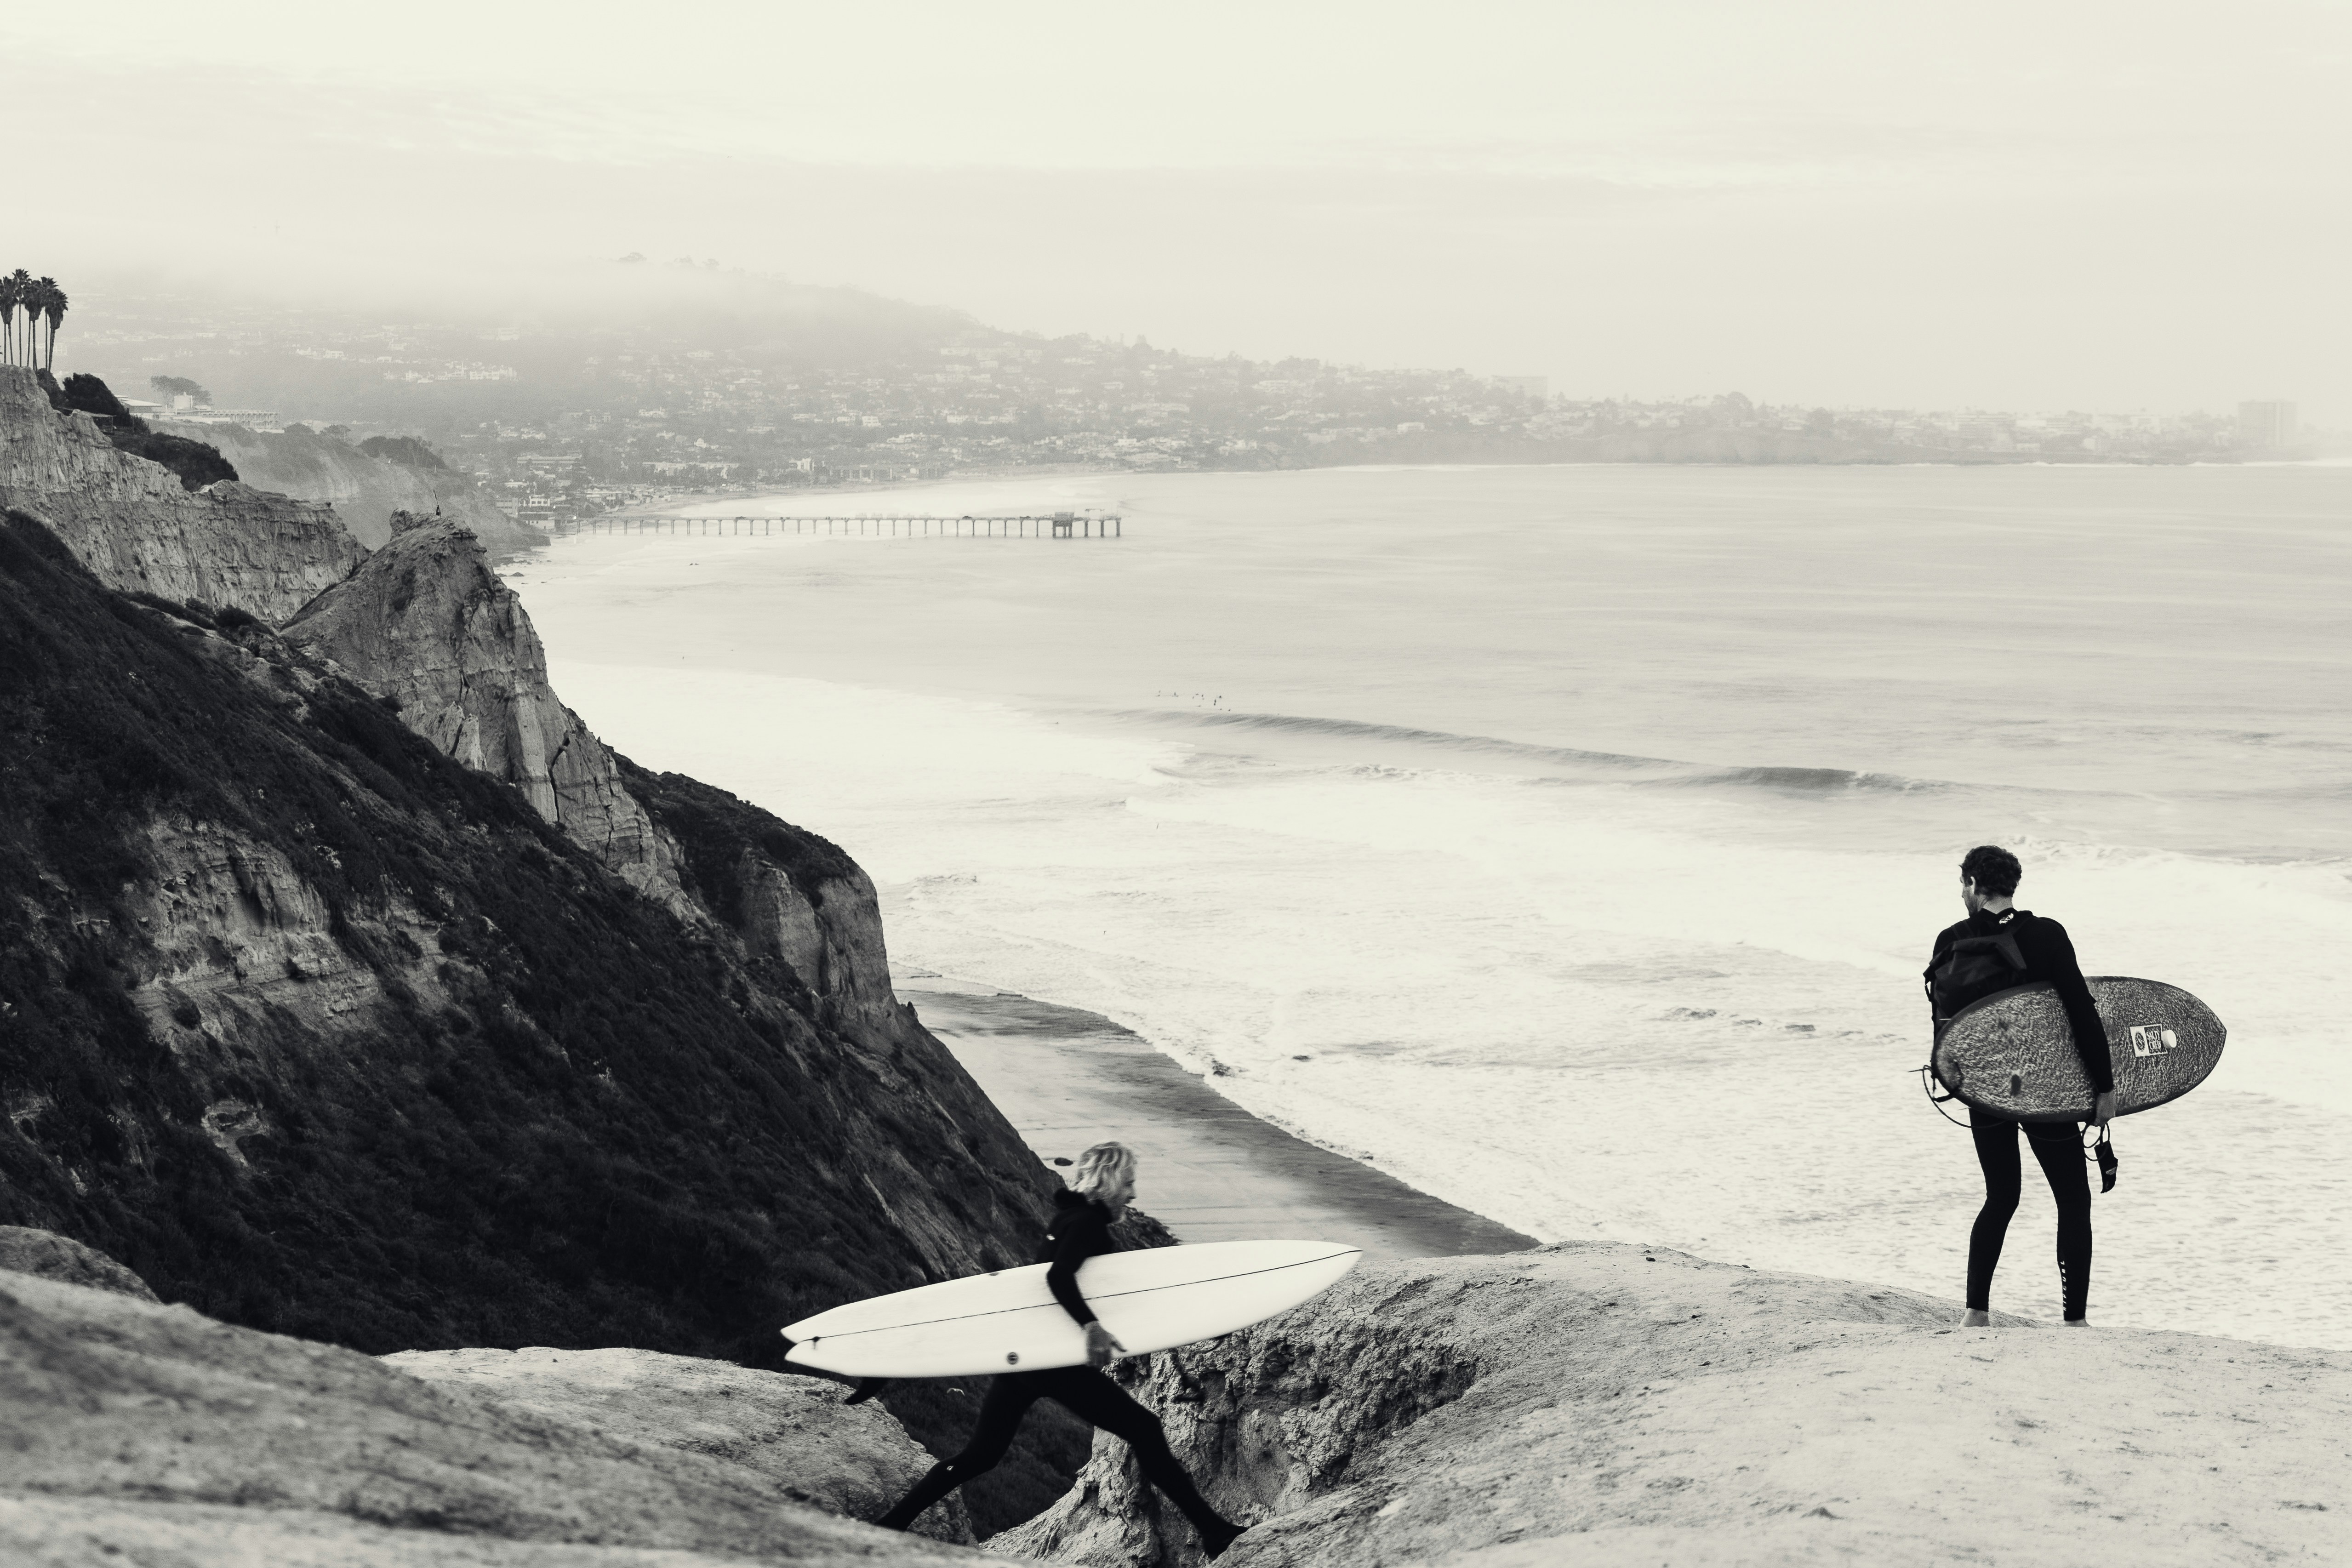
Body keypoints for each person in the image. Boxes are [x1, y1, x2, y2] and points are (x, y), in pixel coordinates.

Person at [873, 1141, 1245, 1557]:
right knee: (1145, 1429)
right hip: (1054, 1362)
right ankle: (1213, 1530)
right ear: (1109, 1180)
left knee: (981, 1455)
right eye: (1129, 1183)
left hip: (1029, 1357)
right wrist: (1093, 1327)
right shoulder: (1087, 1222)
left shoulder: (1068, 1216)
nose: (1133, 1194)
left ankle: (890, 1525)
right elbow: (1059, 1277)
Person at [1926, 845, 2115, 1328]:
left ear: (1972, 884)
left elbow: (1947, 1030)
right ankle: (2074, 1321)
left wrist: (1958, 1083)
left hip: (1986, 1090)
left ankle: (1975, 1314)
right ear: (2012, 885)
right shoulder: (2047, 934)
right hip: (2044, 1091)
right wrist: (2104, 1087)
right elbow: (2081, 1013)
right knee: (2072, 1199)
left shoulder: (1951, 939)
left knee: (2000, 1195)